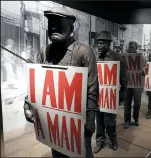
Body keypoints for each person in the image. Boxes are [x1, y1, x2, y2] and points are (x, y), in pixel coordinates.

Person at [23, 7, 99, 158]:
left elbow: (92, 88)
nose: (53, 27)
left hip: (77, 120)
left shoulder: (84, 52)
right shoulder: (45, 51)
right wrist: (28, 103)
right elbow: (36, 84)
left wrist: (90, 119)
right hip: (53, 121)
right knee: (57, 153)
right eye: (50, 22)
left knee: (82, 153)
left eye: (59, 22)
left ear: (71, 27)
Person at [93, 31, 127, 154]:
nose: (99, 46)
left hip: (110, 96)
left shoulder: (117, 58)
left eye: (101, 43)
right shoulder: (95, 57)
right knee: (99, 120)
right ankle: (100, 141)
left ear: (108, 43)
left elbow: (124, 79)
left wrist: (121, 96)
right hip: (97, 95)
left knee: (110, 122)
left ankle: (113, 140)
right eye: (97, 43)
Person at [124, 41, 145, 129]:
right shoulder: (125, 57)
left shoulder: (141, 58)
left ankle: (136, 118)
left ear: (136, 48)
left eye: (132, 47)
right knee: (127, 102)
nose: (131, 49)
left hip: (137, 84)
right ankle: (127, 120)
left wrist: (143, 71)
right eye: (130, 47)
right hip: (127, 83)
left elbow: (144, 71)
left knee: (137, 103)